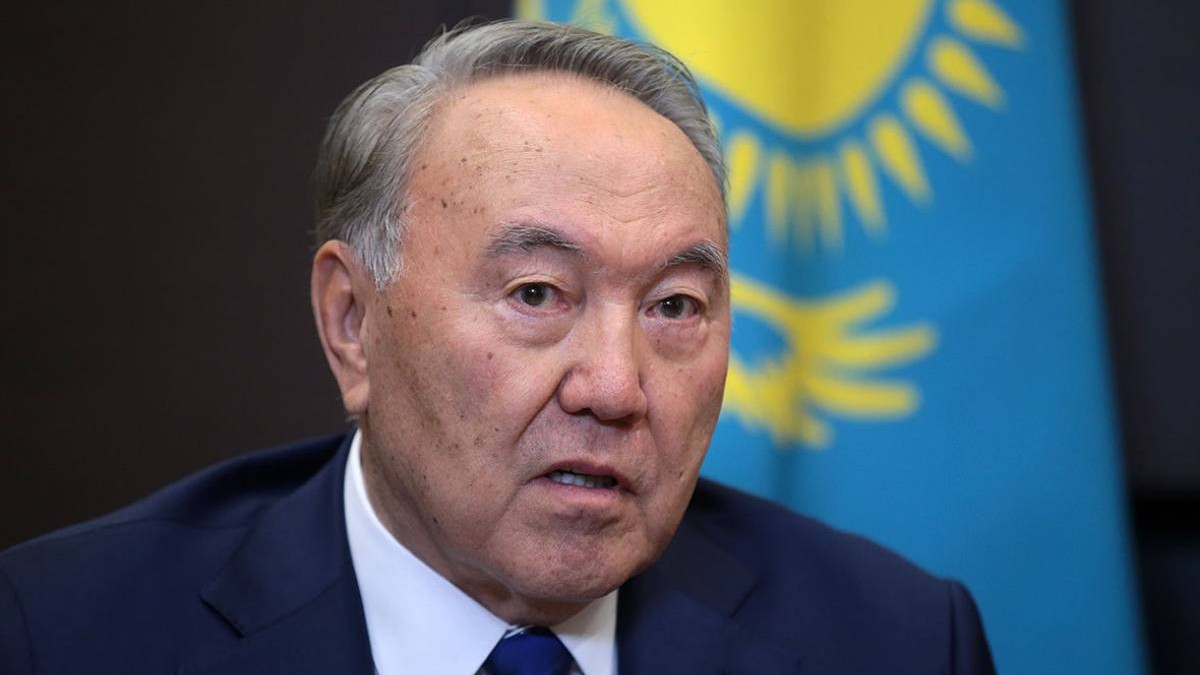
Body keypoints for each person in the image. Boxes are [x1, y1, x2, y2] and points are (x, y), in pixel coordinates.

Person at [0, 20, 996, 675]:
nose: (616, 387)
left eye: (675, 306)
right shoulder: (62, 634)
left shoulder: (897, 642)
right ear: (352, 323)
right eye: (536, 294)